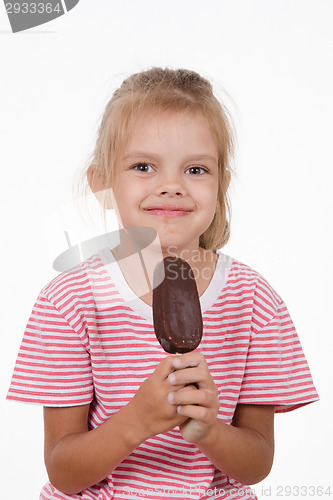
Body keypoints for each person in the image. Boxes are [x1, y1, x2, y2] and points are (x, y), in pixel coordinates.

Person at [7, 67, 319, 500]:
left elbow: (257, 464)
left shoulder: (254, 301)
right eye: (143, 166)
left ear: (221, 184)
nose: (171, 186)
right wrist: (137, 419)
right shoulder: (70, 300)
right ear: (101, 185)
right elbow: (64, 471)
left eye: (195, 169)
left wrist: (209, 429)